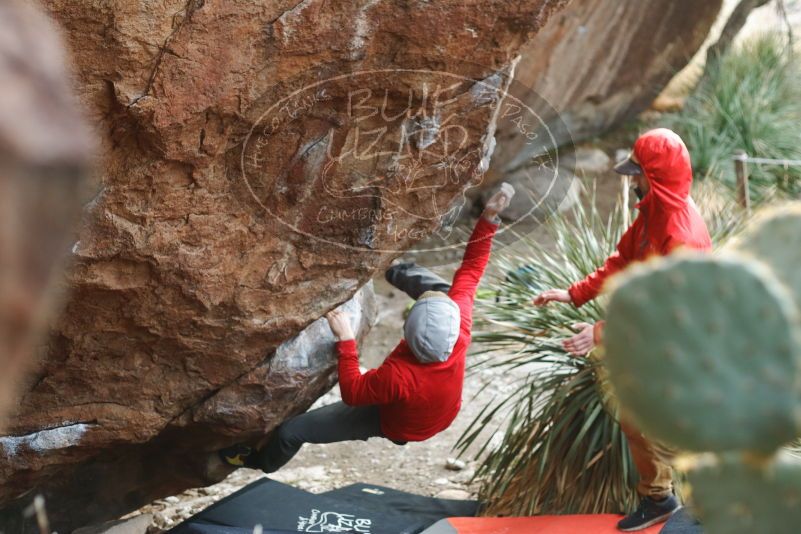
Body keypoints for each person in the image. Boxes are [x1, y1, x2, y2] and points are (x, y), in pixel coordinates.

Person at [217, 183, 515, 473]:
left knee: (291, 433)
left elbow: (354, 394)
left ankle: (258, 462)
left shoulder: (397, 377)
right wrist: (489, 218)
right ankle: (394, 267)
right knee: (449, 289)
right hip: (439, 410)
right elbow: (472, 269)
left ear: (407, 337)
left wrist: (346, 341)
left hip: (399, 425)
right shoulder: (460, 323)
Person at [533, 129, 712, 532]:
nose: (631, 180)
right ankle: (658, 497)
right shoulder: (653, 211)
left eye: (638, 174)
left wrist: (599, 334)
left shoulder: (683, 239)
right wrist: (574, 292)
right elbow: (622, 259)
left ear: (657, 178)